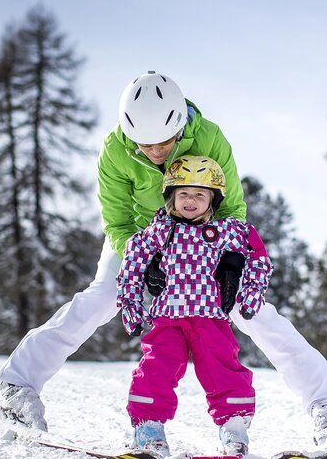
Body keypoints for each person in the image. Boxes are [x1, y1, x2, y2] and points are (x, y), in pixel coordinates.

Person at [0, 71, 327, 450]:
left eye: (163, 142)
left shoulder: (210, 137)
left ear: (179, 125)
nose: (156, 151)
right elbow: (116, 221)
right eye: (145, 144)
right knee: (103, 296)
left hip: (205, 237)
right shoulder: (115, 150)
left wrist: (230, 262)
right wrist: (144, 258)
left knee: (251, 311)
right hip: (140, 237)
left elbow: (232, 209)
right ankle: (16, 386)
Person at [118, 155, 271, 456]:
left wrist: (252, 291)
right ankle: (148, 430)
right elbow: (133, 258)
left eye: (199, 194)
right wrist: (131, 302)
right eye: (183, 193)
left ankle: (234, 430)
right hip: (167, 319)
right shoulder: (160, 230)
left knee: (223, 369)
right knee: (155, 370)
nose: (190, 200)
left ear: (212, 200)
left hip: (209, 317)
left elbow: (258, 254)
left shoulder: (226, 230)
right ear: (170, 198)